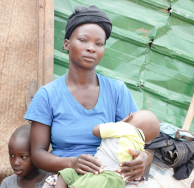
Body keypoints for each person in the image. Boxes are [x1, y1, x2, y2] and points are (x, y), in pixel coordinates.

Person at [24, 5, 151, 187]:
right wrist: (71, 162)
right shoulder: (47, 95)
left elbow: (139, 136)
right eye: (83, 40)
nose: (91, 48)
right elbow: (37, 154)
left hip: (113, 175)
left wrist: (143, 158)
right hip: (67, 177)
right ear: (67, 44)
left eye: (99, 44)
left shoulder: (117, 91)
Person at [55, 110, 160, 188]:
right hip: (112, 178)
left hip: (104, 173)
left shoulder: (123, 127)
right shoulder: (140, 144)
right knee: (87, 182)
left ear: (129, 117)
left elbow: (96, 130)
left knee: (67, 174)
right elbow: (141, 155)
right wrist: (146, 156)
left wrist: (119, 124)